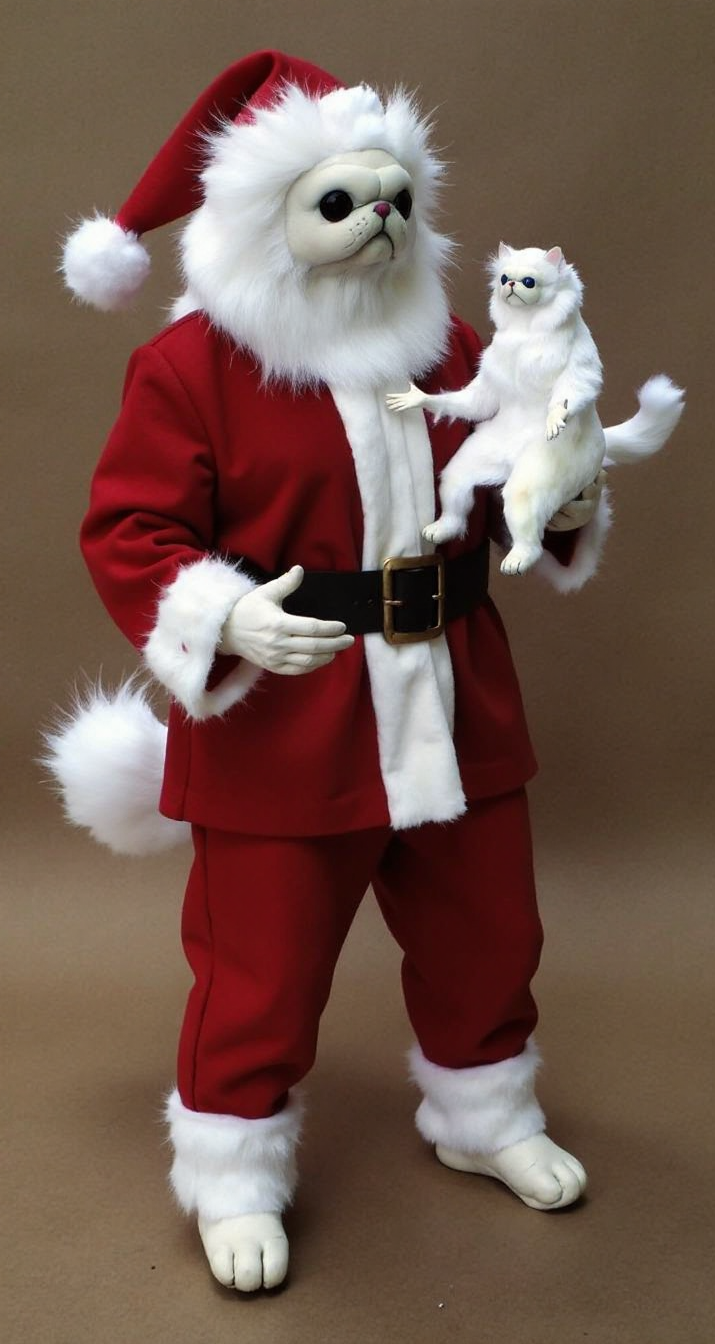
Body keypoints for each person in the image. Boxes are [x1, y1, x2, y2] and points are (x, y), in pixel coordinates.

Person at [56, 50, 609, 1291]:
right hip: (287, 718)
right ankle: (234, 1166)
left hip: (457, 696)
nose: (383, 225)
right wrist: (226, 619)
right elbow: (131, 530)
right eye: (344, 203)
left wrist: (564, 487)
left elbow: (507, 481)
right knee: (262, 960)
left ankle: (484, 1112)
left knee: (489, 927)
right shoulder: (191, 368)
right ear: (268, 219)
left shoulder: (453, 344)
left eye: (399, 201)